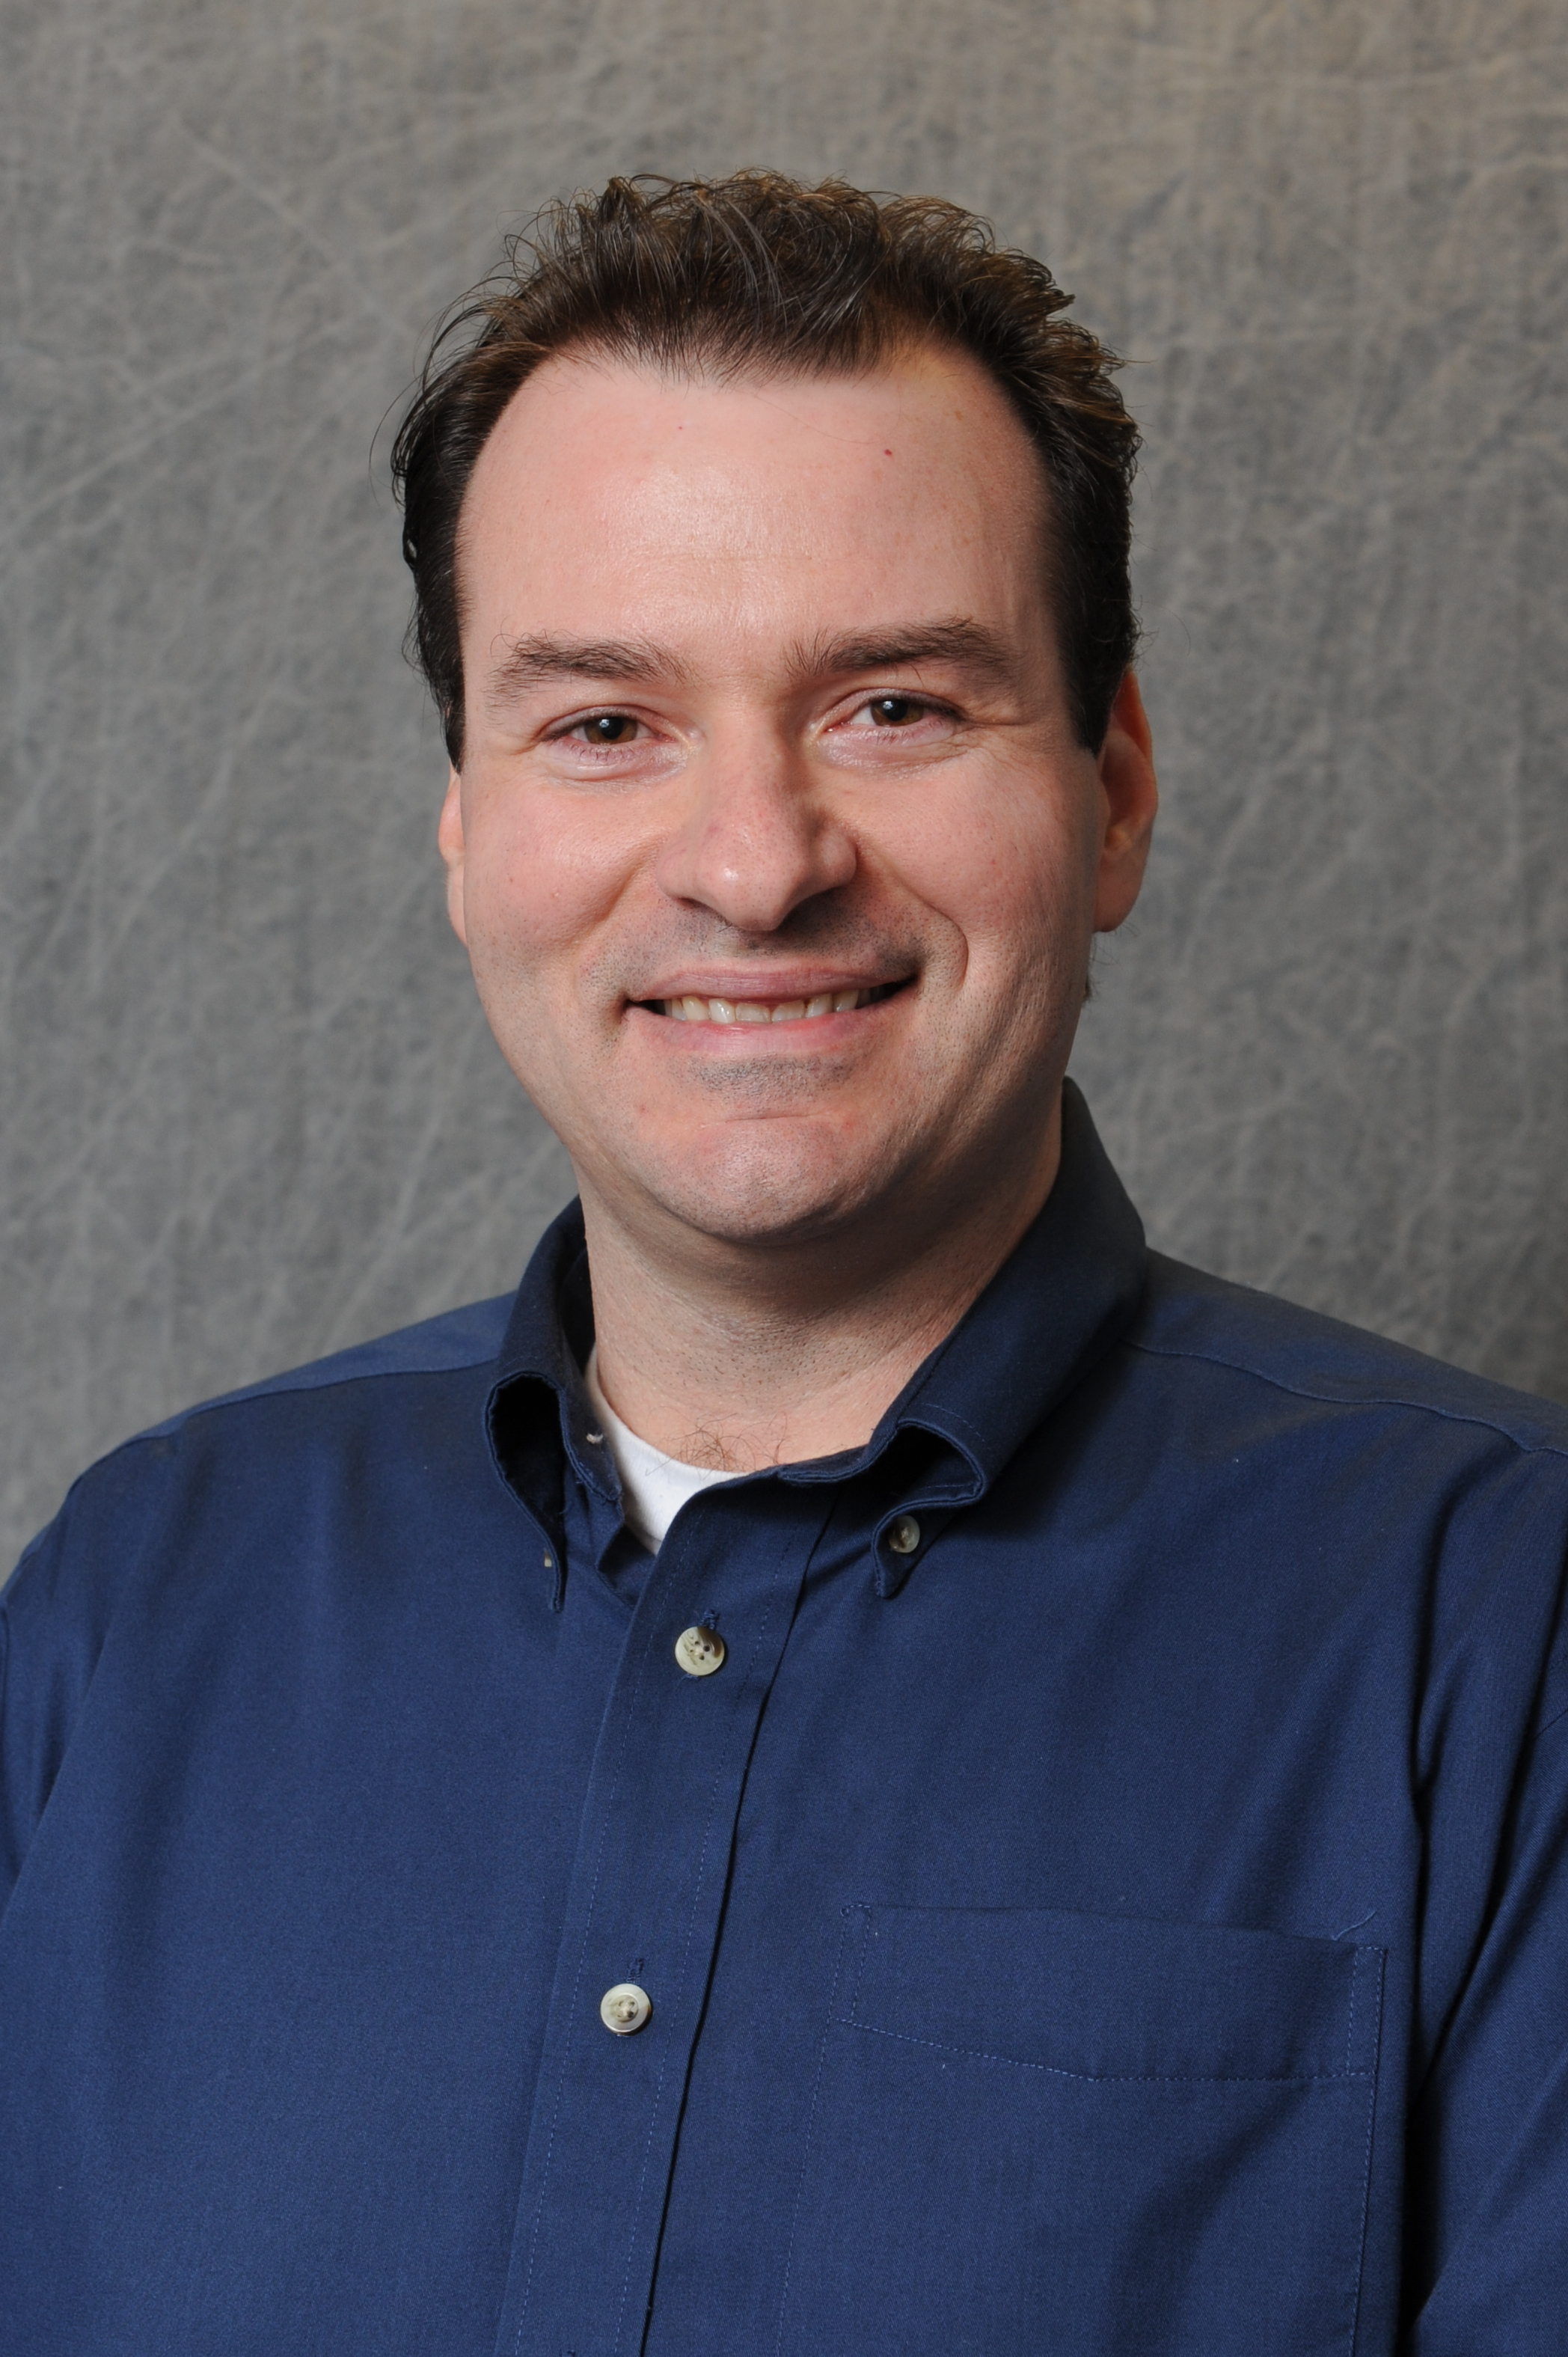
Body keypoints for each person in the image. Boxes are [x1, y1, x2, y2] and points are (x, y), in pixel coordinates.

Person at [1, 173, 1564, 2357]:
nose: (753, 867)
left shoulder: (1497, 1620)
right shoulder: (128, 1607)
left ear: (1113, 793)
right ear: (465, 824)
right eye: (604, 723)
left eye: (893, 706)